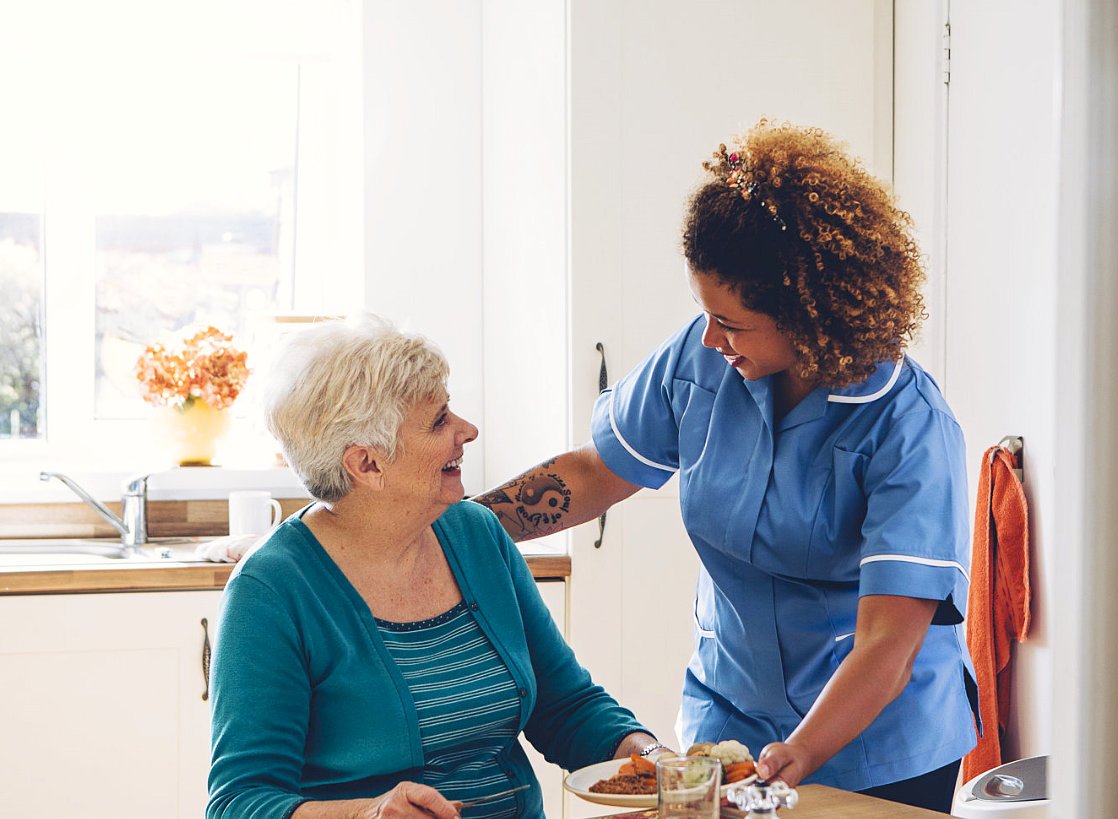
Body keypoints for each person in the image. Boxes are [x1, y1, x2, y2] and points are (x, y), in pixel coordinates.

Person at [474, 120, 979, 812]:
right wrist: (460, 525)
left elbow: (889, 641)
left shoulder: (908, 425)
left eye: (732, 322)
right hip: (730, 722)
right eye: (703, 312)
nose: (711, 337)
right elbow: (595, 473)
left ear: (808, 312)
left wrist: (801, 751)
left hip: (876, 743)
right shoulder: (702, 357)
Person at [209, 314, 661, 819]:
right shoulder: (271, 590)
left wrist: (654, 761)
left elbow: (567, 707)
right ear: (367, 464)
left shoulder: (477, 535)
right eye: (440, 421)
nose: (467, 431)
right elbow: (239, 802)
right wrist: (368, 814)